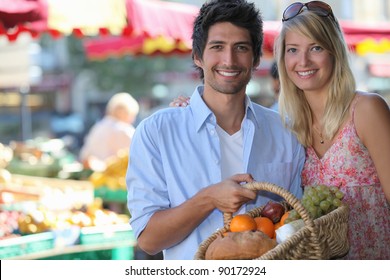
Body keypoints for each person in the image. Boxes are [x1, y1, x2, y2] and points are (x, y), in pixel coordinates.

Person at [126, 0, 305, 260]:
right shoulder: (156, 132)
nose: (229, 60)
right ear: (198, 56)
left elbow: (297, 222)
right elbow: (149, 240)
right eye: (217, 47)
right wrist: (209, 198)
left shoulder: (285, 132)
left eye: (241, 48)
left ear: (256, 58)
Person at [275, 1, 390, 259]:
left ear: (334, 52)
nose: (302, 61)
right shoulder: (292, 126)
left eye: (315, 47)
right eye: (293, 50)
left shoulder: (366, 110)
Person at [79, 92, 139, 169]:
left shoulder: (98, 127)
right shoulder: (125, 130)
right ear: (124, 113)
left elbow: (84, 156)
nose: (133, 120)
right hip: (115, 177)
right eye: (132, 115)